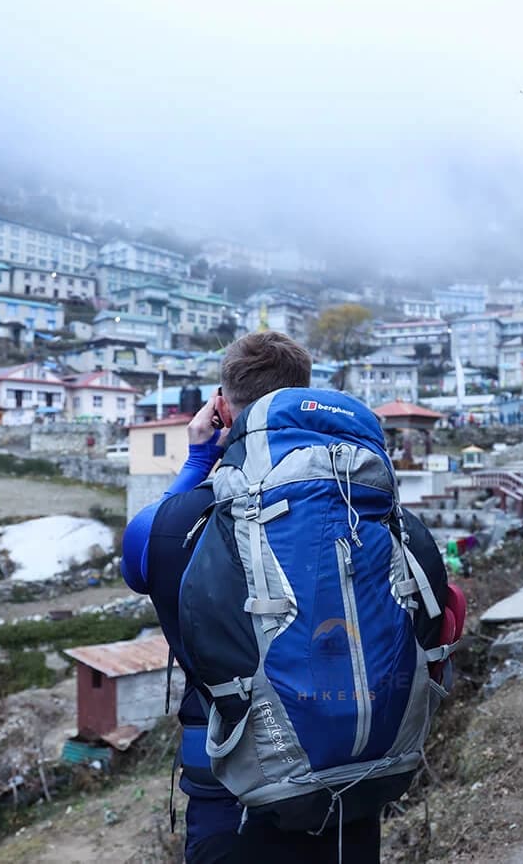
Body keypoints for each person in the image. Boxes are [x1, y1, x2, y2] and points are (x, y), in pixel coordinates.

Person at [122, 331, 448, 864]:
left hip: (231, 785)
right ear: (303, 399)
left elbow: (142, 561)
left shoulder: (176, 525)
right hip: (354, 781)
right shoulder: (380, 515)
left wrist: (199, 459)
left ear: (222, 408)